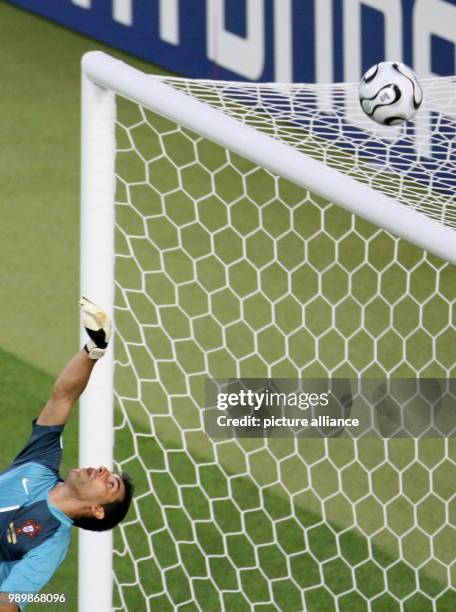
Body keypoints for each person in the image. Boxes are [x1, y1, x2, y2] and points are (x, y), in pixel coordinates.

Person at [0, 298, 134, 611]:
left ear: (97, 510)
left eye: (109, 483)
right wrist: (94, 350)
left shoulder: (51, 543)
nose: (102, 471)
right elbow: (64, 396)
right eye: (106, 470)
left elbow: (9, 602)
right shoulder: (41, 461)